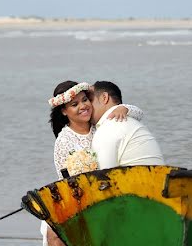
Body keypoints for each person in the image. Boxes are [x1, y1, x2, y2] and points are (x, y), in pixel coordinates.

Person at [41, 80, 142, 246]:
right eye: (74, 104)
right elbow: (65, 180)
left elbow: (138, 114)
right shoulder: (64, 141)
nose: (83, 106)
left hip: (110, 191)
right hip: (79, 197)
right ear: (64, 111)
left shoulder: (100, 124)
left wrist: (124, 108)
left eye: (85, 100)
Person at [90, 80, 163, 169]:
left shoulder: (108, 128)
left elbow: (105, 176)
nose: (86, 105)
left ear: (104, 98)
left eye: (89, 100)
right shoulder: (134, 122)